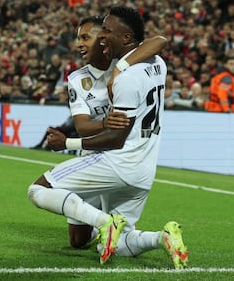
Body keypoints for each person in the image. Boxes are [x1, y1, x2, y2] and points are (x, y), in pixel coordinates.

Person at [27, 6, 188, 269]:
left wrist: (67, 143)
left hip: (114, 161)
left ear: (123, 39)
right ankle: (163, 237)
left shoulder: (125, 77)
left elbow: (115, 138)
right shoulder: (156, 63)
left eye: (106, 32)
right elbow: (157, 43)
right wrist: (120, 68)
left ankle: (104, 223)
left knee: (37, 190)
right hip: (143, 171)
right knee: (115, 244)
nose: (102, 36)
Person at [65, 16, 168, 248]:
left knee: (42, 189)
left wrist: (119, 69)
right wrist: (105, 122)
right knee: (78, 241)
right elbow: (82, 126)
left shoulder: (124, 61)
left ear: (104, 39)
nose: (79, 44)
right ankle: (145, 236)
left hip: (114, 155)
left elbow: (159, 40)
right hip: (96, 151)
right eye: (77, 38)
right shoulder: (77, 79)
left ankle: (106, 224)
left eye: (85, 37)